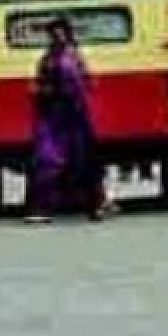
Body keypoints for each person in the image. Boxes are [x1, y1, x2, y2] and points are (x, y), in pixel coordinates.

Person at [26, 17, 101, 224]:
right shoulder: (50, 58)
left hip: (72, 114)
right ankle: (43, 208)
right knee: (47, 161)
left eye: (62, 32)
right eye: (54, 33)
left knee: (83, 161)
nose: (58, 37)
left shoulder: (71, 57)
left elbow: (82, 84)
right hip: (55, 115)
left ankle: (94, 205)